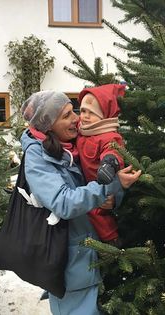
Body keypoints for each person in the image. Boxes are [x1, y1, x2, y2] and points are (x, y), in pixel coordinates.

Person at [20, 90, 141, 315]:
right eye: (66, 116)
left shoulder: (77, 144)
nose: (76, 118)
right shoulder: (37, 158)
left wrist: (114, 197)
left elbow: (99, 182)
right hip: (70, 264)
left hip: (98, 251)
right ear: (48, 125)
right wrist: (110, 187)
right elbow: (63, 202)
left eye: (74, 111)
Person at [77, 84, 126, 247]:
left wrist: (109, 162)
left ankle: (112, 241)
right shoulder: (82, 130)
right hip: (86, 184)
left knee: (99, 212)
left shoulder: (108, 135)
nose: (85, 116)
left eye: (92, 113)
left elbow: (113, 150)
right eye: (83, 111)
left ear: (104, 117)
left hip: (103, 182)